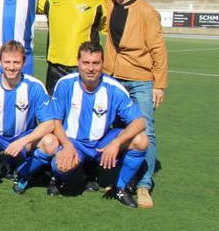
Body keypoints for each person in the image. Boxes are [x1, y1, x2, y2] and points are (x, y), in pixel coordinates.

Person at [14, 41, 148, 208]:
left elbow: (140, 121)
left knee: (141, 140)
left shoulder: (113, 88)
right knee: (61, 166)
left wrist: (116, 142)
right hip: (74, 142)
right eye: (86, 63)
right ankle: (63, 176)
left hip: (102, 143)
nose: (90, 68)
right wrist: (67, 145)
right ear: (78, 63)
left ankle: (120, 187)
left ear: (102, 64)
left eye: (96, 63)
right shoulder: (65, 84)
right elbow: (55, 121)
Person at [102, 0, 168, 208]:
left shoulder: (146, 11)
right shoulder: (109, 3)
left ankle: (144, 184)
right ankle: (120, 180)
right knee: (118, 130)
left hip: (140, 79)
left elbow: (159, 50)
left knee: (145, 130)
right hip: (113, 78)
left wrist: (159, 84)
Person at [0, 41, 54, 189]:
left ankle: (22, 173)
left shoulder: (34, 86)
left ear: (24, 62)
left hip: (24, 136)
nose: (11, 67)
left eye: (16, 62)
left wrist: (22, 141)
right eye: (7, 62)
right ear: (0, 62)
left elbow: (49, 123)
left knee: (51, 143)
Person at [36, 0, 106, 93]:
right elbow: (22, 2)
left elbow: (107, 29)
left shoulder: (98, 0)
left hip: (85, 69)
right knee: (55, 113)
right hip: (55, 69)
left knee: (82, 112)